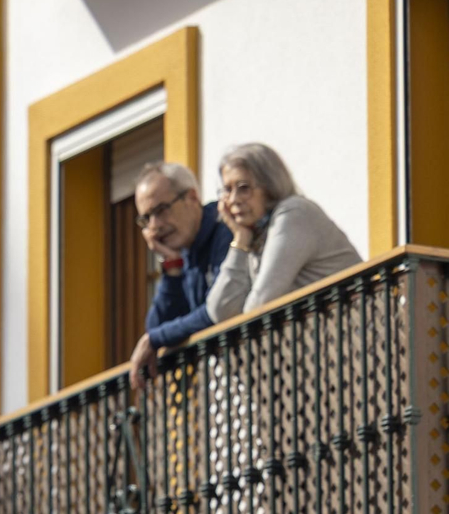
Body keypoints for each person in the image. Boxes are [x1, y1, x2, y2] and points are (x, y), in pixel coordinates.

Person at [205, 142, 361, 323]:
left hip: (360, 336)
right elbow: (221, 311)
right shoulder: (255, 232)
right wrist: (240, 240)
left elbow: (259, 306)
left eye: (244, 188)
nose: (233, 200)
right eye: (227, 190)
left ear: (269, 187)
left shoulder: (295, 213)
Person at [127, 161, 232, 390]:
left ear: (192, 198)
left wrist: (155, 338)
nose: (155, 226)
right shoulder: (185, 252)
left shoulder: (227, 230)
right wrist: (171, 265)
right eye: (146, 219)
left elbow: (219, 309)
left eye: (161, 210)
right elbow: (158, 327)